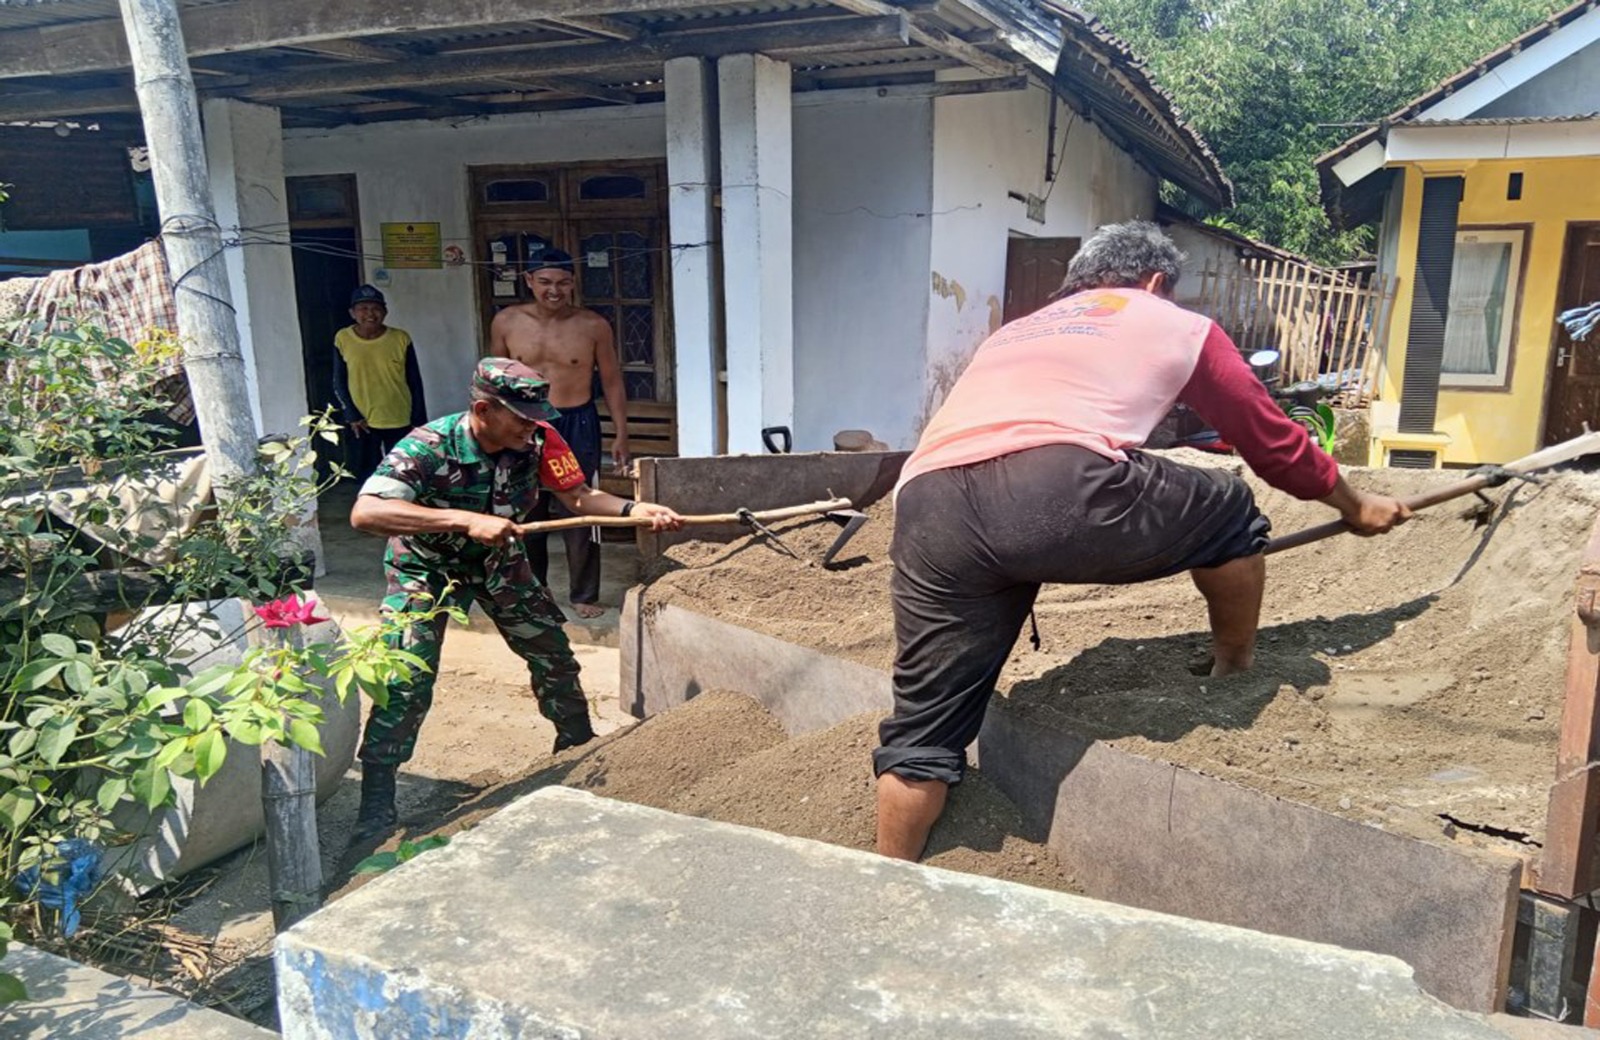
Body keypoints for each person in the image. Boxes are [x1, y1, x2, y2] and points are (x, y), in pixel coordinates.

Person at [874, 221, 1412, 862]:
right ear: (1156, 282)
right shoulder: (1171, 322)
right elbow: (1268, 441)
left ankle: (888, 877)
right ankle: (1234, 665)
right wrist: (1354, 504)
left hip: (928, 505)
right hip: (1057, 488)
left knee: (923, 732)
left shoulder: (1014, 331)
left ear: (1076, 283)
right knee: (1232, 510)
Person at [347, 358, 682, 839]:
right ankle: (377, 802)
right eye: (523, 417)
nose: (535, 425)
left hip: (497, 565)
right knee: (406, 677)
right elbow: (367, 512)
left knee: (553, 654)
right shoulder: (428, 446)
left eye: (538, 415)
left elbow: (579, 497)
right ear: (484, 410)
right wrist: (462, 521)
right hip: (427, 568)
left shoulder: (540, 438)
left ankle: (576, 749)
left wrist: (633, 509)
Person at [489, 248, 629, 620]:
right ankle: (536, 586)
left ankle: (584, 593)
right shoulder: (506, 321)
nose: (555, 290)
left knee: (580, 506)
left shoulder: (593, 325)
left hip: (577, 424)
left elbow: (613, 382)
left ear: (573, 283)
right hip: (524, 423)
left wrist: (621, 434)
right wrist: (492, 431)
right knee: (527, 506)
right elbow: (495, 381)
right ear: (529, 281)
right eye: (546, 282)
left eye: (563, 282)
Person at [332, 284, 428, 483]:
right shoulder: (343, 338)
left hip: (399, 417)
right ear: (352, 313)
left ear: (385, 312)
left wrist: (418, 420)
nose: (370, 314)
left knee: (403, 471)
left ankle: (399, 509)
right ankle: (369, 512)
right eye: (363, 308)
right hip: (363, 421)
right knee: (366, 473)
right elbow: (338, 380)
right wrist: (351, 414)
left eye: (376, 308)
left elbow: (414, 381)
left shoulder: (400, 338)